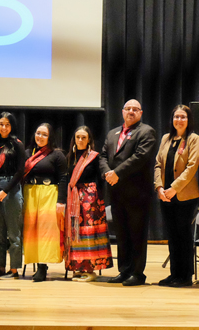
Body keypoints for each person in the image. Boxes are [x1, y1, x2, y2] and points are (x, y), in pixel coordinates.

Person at [98, 99, 157, 286]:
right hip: (115, 192)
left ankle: (138, 273)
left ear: (141, 113)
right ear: (122, 112)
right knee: (122, 234)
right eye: (128, 109)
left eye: (135, 109)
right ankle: (124, 270)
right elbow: (102, 156)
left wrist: (117, 173)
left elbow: (140, 158)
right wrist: (107, 173)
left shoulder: (146, 132)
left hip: (137, 193)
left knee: (137, 234)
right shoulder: (112, 133)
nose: (131, 111)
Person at [153, 105, 199, 287]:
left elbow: (191, 167)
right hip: (165, 195)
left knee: (184, 234)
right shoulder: (166, 138)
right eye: (176, 116)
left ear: (189, 120)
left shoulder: (193, 139)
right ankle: (174, 274)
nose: (179, 120)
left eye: (183, 117)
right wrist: (159, 187)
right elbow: (158, 164)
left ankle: (186, 275)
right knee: (172, 235)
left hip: (185, 196)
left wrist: (173, 188)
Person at [64, 126, 113, 282]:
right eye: (78, 137)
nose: (80, 140)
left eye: (83, 137)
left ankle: (90, 269)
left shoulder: (94, 157)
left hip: (90, 201)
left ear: (89, 140)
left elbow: (101, 181)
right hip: (73, 199)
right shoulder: (70, 157)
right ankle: (77, 267)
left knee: (89, 234)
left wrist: (96, 201)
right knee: (75, 233)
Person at [22, 123, 68, 282]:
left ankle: (42, 267)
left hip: (49, 194)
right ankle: (34, 260)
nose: (39, 137)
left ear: (50, 138)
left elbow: (63, 178)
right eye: (38, 133)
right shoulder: (27, 153)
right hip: (30, 194)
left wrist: (61, 201)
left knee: (45, 232)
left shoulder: (57, 155)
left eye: (44, 134)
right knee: (31, 231)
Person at [0, 112, 26, 280]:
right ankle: (1, 268)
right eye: (1, 124)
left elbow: (20, 171)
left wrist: (6, 190)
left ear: (12, 126)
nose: (4, 127)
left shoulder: (17, 145)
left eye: (7, 124)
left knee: (13, 234)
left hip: (11, 190)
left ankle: (14, 270)